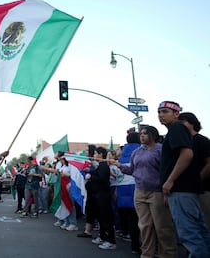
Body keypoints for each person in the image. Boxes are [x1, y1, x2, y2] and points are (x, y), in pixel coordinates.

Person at [158, 101, 210, 257]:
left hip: (181, 190)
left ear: (176, 114)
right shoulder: (177, 130)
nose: (161, 115)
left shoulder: (176, 128)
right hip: (184, 191)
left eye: (165, 111)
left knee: (190, 235)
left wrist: (170, 181)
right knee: (200, 232)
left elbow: (187, 154)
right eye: (159, 112)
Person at [117, 125, 178, 257]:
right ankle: (147, 254)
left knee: (162, 227)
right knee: (145, 226)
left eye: (145, 133)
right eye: (141, 134)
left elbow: (167, 171)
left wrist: (167, 192)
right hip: (139, 192)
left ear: (153, 135)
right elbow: (132, 170)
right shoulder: (137, 152)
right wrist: (120, 166)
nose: (142, 136)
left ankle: (168, 254)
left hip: (157, 192)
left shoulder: (161, 150)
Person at [178, 112, 210, 229]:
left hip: (203, 190)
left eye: (183, 122)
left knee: (205, 224)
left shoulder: (201, 140)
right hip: (186, 191)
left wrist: (197, 180)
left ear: (192, 123)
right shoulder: (182, 142)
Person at [90, 146, 116, 250]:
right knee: (101, 217)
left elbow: (102, 179)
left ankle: (111, 241)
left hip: (104, 195)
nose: (94, 155)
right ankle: (102, 236)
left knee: (106, 218)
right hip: (99, 195)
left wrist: (91, 176)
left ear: (101, 154)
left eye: (96, 153)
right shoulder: (100, 166)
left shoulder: (104, 166)